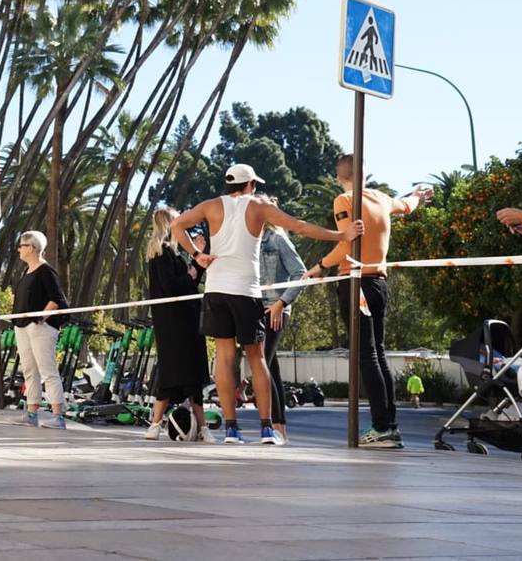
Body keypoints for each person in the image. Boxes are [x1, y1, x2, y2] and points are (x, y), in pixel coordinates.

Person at [171, 162, 362, 446]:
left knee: (224, 358)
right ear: (250, 185)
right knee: (257, 358)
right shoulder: (259, 206)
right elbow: (299, 226)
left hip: (216, 290)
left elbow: (176, 225)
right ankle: (265, 429)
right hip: (246, 292)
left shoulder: (210, 205)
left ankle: (232, 431)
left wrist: (197, 254)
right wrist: (341, 236)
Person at [307, 154, 431, 448]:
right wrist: (416, 196)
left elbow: (347, 241)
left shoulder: (344, 200)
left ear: (340, 177)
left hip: (356, 282)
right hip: (379, 283)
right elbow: (408, 206)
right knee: (378, 353)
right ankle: (388, 426)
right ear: (365, 173)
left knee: (367, 356)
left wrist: (320, 266)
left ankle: (382, 427)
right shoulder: (382, 198)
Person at [144, 208, 213, 442]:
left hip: (183, 321)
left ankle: (201, 428)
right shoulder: (162, 253)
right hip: (176, 324)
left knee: (188, 374)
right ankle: (155, 424)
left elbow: (189, 284)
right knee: (174, 372)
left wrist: (197, 263)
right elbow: (174, 286)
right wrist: (194, 267)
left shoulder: (171, 253)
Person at [257, 203, 307, 442]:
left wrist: (281, 303)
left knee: (262, 365)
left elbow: (300, 273)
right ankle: (280, 429)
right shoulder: (249, 240)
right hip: (255, 309)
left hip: (274, 309)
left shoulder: (277, 239)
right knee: (270, 367)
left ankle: (273, 427)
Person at [11, 231, 70, 429]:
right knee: (29, 370)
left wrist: (41, 318)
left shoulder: (46, 271)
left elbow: (56, 299)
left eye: (22, 245)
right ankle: (31, 413)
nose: (19, 249)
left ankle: (58, 416)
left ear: (32, 247)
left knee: (47, 370)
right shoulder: (26, 272)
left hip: (40, 328)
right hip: (22, 326)